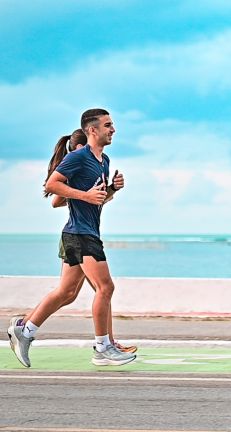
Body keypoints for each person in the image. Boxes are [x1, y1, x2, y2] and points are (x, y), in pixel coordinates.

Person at [7, 108, 136, 367]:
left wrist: (111, 189)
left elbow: (99, 200)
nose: (113, 129)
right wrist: (85, 195)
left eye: (113, 125)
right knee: (106, 287)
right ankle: (103, 348)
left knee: (67, 292)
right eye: (108, 125)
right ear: (92, 130)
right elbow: (51, 186)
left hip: (84, 232)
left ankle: (25, 330)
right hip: (79, 234)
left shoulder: (104, 161)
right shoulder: (79, 157)